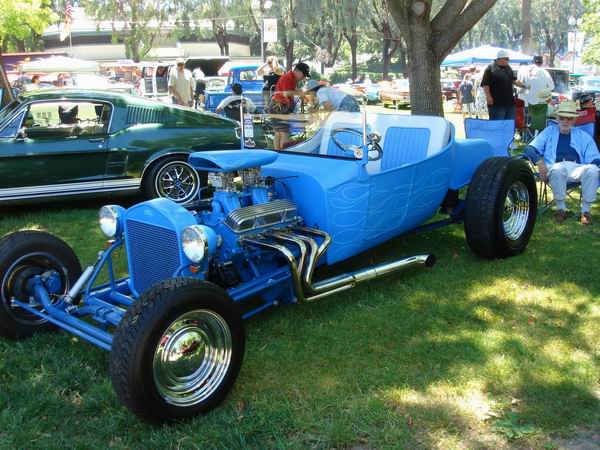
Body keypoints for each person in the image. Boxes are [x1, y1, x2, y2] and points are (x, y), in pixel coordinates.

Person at [524, 101, 600, 225]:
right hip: (554, 166)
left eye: (569, 118)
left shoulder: (582, 135)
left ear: (574, 121)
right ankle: (561, 209)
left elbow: (594, 157)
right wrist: (540, 163)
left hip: (576, 168)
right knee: (558, 169)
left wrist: (595, 166)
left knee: (593, 170)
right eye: (562, 117)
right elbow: (529, 149)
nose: (565, 121)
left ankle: (585, 212)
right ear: (557, 118)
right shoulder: (549, 131)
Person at [269, 62, 311, 150]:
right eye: (303, 75)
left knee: (278, 133)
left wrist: (298, 91)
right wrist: (299, 92)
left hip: (278, 106)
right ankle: (285, 153)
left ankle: (278, 153)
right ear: (297, 71)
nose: (303, 78)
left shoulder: (291, 78)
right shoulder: (288, 77)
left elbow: (287, 91)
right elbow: (286, 93)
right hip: (279, 106)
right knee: (284, 133)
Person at [481, 50, 529, 120]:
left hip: (509, 102)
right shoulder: (490, 68)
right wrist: (488, 97)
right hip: (496, 104)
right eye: (507, 59)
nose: (508, 61)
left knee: (510, 123)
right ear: (501, 59)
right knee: (498, 124)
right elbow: (485, 84)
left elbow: (514, 80)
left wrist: (524, 86)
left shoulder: (508, 68)